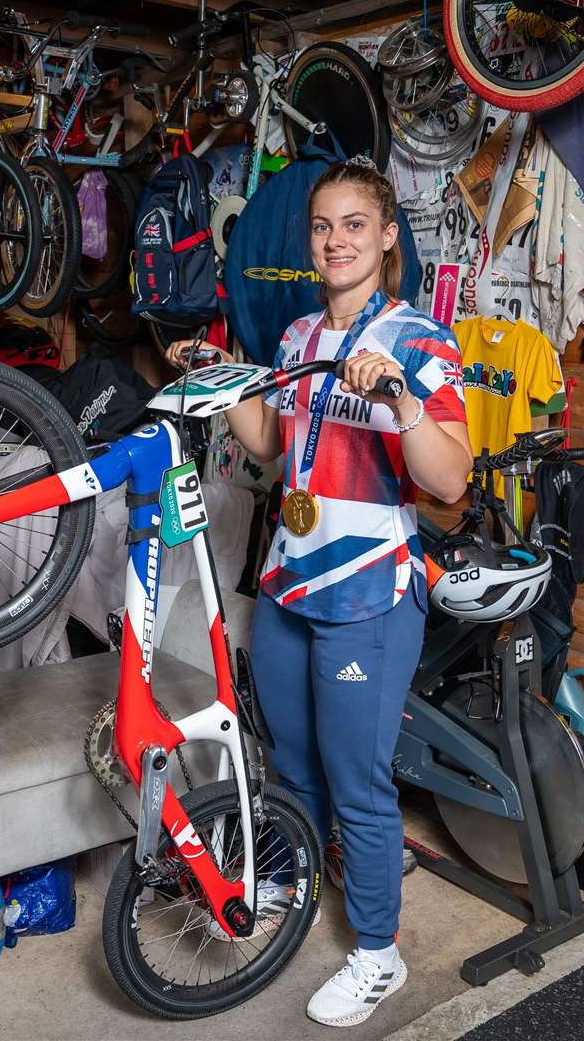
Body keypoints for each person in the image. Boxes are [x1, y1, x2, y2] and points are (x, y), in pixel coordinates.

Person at [165, 157, 472, 1028]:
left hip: (370, 591)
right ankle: (297, 887)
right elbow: (270, 444)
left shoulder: (418, 339)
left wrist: (404, 400)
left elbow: (450, 479)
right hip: (290, 580)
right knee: (291, 766)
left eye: (353, 225)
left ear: (385, 236)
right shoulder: (299, 338)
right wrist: (222, 377)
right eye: (322, 227)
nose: (335, 241)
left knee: (358, 782)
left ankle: (379, 954)